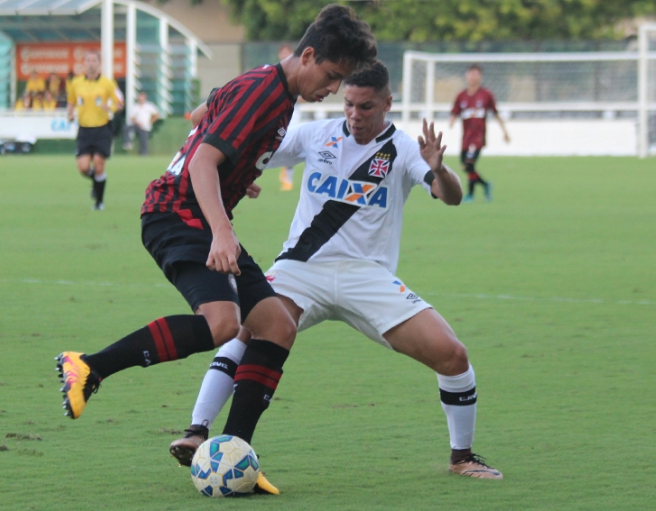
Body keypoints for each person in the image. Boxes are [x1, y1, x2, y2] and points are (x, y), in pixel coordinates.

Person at [55, 3, 377, 493]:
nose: (332, 89)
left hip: (199, 214)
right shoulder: (264, 92)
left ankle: (234, 454)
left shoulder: (270, 86)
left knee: (277, 326)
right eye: (332, 76)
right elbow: (203, 162)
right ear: (309, 56)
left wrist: (239, 172)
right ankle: (89, 367)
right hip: (178, 214)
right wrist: (223, 227)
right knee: (223, 323)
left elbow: (201, 114)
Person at [168, 62, 503, 491]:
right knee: (245, 331)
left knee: (453, 355)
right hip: (300, 268)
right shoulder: (316, 134)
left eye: (366, 107)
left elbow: (449, 196)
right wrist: (241, 174)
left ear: (387, 103)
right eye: (348, 104)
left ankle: (462, 457)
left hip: (368, 276)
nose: (354, 115)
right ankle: (197, 431)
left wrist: (438, 168)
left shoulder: (402, 148)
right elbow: (243, 148)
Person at [67, 50, 122, 211]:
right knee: (83, 167)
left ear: (99, 63)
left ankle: (99, 202)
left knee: (98, 163)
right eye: (88, 60)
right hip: (84, 129)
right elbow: (71, 101)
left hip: (102, 129)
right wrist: (70, 114)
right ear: (84, 63)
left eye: (94, 60)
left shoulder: (108, 83)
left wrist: (110, 107)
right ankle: (96, 182)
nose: (91, 63)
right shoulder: (76, 83)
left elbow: (120, 102)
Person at [448, 64, 509, 202]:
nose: (472, 77)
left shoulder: (486, 95)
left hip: (478, 138)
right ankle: (486, 185)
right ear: (466, 76)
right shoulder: (461, 96)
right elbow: (455, 111)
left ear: (480, 77)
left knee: (469, 164)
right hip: (466, 138)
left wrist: (505, 132)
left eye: (475, 74)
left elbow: (496, 113)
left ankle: (470, 194)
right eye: (470, 74)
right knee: (465, 165)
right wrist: (451, 120)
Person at [277, 43, 300, 191]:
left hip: (294, 113)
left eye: (287, 52)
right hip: (279, 112)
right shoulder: (275, 72)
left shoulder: (298, 72)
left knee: (292, 142)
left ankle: (287, 177)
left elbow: (303, 95)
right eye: (283, 53)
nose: (285, 55)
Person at [122, 91, 160, 156]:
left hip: (146, 127)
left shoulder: (149, 106)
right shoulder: (136, 107)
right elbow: (132, 117)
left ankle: (143, 154)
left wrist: (150, 121)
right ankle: (128, 142)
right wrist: (137, 122)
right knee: (126, 127)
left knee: (143, 142)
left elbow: (156, 114)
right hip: (137, 125)